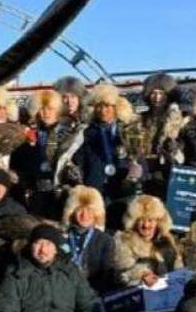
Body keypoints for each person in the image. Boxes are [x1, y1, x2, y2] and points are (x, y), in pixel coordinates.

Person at [68, 83, 141, 205]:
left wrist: (135, 173)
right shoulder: (85, 133)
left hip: (122, 191)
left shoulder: (128, 131)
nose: (103, 111)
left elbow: (139, 160)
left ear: (116, 107)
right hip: (94, 192)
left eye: (107, 106)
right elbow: (79, 161)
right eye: (98, 106)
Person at [12, 88, 78, 218]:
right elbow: (19, 163)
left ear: (57, 110)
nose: (46, 113)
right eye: (42, 109)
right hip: (34, 191)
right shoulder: (29, 133)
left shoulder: (69, 133)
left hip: (60, 192)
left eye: (50, 109)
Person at [112, 194, 182, 288]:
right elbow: (122, 274)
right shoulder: (124, 240)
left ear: (158, 221)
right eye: (141, 220)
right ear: (134, 221)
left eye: (150, 220)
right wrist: (141, 275)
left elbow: (177, 266)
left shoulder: (167, 239)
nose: (146, 225)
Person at [61, 186, 117, 294]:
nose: (84, 215)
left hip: (93, 293)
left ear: (97, 213)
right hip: (64, 291)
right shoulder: (61, 237)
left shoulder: (105, 240)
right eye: (79, 210)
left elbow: (107, 273)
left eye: (89, 210)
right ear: (71, 212)